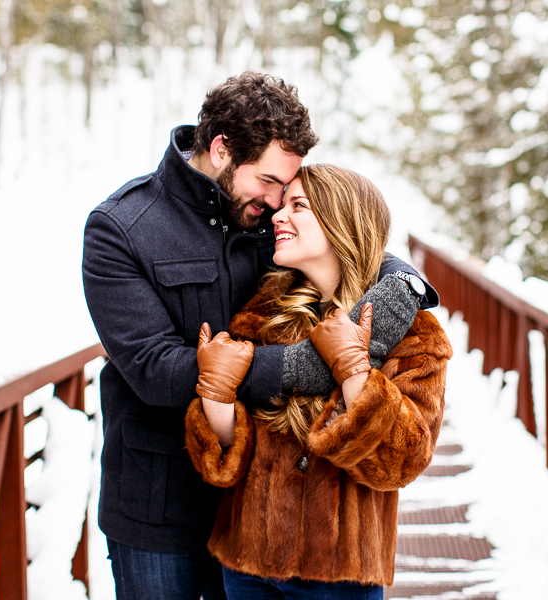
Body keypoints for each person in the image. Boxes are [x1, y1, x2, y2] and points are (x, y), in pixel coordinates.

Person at [82, 73, 438, 599]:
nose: (276, 205)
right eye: (270, 183)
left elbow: (348, 234)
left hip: (264, 520)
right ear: (222, 150)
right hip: (161, 501)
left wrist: (403, 284)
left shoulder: (266, 216)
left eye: (289, 189)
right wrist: (309, 367)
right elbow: (155, 372)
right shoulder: (122, 227)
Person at [184, 164, 453, 599]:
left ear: (340, 222)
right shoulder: (264, 312)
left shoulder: (415, 334)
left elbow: (402, 461)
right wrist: (216, 395)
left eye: (298, 205)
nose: (277, 216)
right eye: (281, 204)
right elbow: (232, 457)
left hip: (337, 575)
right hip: (245, 563)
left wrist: (353, 369)